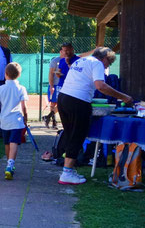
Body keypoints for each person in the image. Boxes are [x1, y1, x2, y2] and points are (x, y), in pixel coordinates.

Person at [56, 47, 133, 185]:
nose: (106, 67)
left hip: (63, 98)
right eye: (108, 64)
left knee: (70, 133)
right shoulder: (97, 63)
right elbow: (100, 86)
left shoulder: (81, 60)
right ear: (104, 58)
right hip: (77, 100)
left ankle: (68, 169)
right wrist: (123, 97)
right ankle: (66, 172)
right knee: (77, 135)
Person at [0, 62, 29, 180]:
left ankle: (9, 164)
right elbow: (24, 107)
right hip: (16, 121)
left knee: (7, 143)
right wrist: (25, 119)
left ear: (5, 74)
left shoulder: (1, 88)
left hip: (4, 121)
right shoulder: (21, 88)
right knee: (14, 142)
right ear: (19, 75)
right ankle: (10, 164)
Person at [44, 47, 66, 129]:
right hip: (56, 85)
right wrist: (52, 86)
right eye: (64, 50)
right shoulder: (55, 61)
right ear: (60, 51)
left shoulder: (69, 60)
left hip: (64, 86)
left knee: (62, 104)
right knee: (53, 104)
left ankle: (48, 117)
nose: (66, 52)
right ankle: (53, 122)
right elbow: (51, 74)